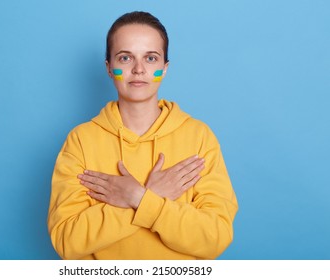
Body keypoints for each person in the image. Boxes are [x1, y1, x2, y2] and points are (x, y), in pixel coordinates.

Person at [47, 11, 238, 260]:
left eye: (150, 58)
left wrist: (138, 198)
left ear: (164, 68)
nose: (138, 69)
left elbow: (216, 237)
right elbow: (66, 240)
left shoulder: (199, 137)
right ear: (109, 67)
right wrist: (150, 197)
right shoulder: (81, 140)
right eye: (125, 58)